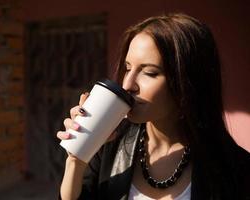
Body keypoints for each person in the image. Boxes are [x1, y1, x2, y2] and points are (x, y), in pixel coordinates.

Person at [56, 13, 250, 200]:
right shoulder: (109, 143)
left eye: (149, 72)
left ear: (187, 81)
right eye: (128, 68)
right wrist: (77, 158)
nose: (127, 85)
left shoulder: (234, 169)